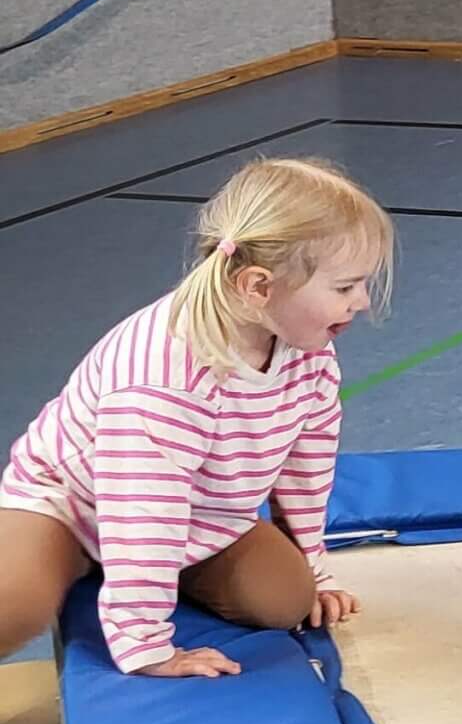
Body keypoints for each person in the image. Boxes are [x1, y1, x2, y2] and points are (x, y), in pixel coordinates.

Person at [0, 155, 393, 679]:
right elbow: (143, 507)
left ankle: (152, 571)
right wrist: (146, 644)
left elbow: (307, 466)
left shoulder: (308, 349)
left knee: (284, 599)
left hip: (196, 513)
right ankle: (90, 570)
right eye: (344, 287)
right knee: (15, 604)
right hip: (72, 506)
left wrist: (315, 570)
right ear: (258, 287)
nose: (361, 301)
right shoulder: (165, 378)